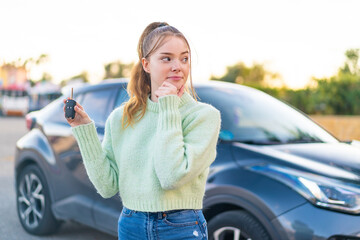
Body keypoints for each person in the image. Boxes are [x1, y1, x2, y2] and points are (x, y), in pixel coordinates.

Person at [64, 22, 221, 239]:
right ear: (146, 64)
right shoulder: (121, 118)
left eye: (184, 58)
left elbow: (171, 176)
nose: (178, 66)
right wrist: (84, 131)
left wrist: (168, 108)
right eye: (167, 58)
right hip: (131, 224)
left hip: (181, 227)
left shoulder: (203, 117)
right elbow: (107, 187)